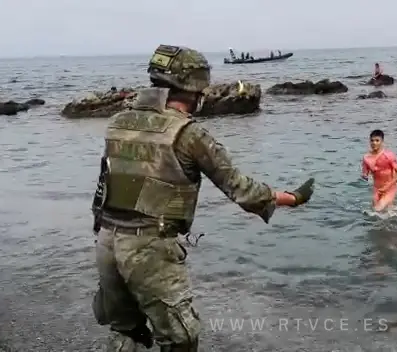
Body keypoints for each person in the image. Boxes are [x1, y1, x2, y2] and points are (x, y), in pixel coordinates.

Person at [90, 44, 315, 352]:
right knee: (181, 339)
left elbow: (105, 184)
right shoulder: (188, 134)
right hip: (148, 249)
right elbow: (240, 188)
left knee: (126, 332)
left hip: (107, 242)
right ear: (193, 87)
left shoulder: (118, 122)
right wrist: (292, 198)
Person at [361, 129, 397, 212]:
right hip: (377, 189)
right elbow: (365, 172)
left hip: (390, 187)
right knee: (377, 209)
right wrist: (364, 176)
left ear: (382, 141)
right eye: (372, 140)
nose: (374, 143)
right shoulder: (366, 158)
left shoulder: (388, 155)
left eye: (377, 140)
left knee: (377, 209)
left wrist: (387, 186)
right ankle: (395, 220)